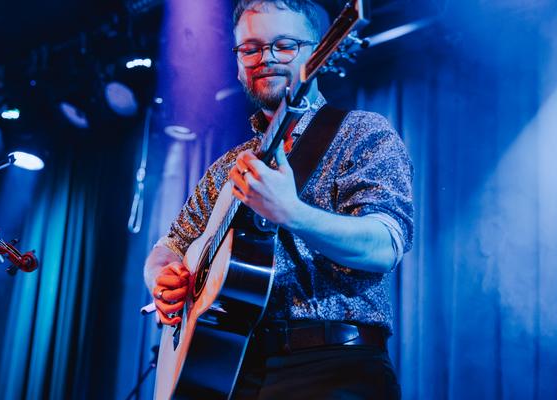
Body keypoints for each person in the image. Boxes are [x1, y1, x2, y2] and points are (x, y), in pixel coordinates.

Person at [143, 0, 414, 398]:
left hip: (335, 367)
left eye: (284, 45)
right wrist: (162, 279)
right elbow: (169, 247)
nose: (265, 58)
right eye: (250, 48)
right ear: (237, 62)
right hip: (233, 369)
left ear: (315, 54)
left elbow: (384, 246)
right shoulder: (227, 166)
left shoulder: (362, 133)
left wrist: (293, 213)